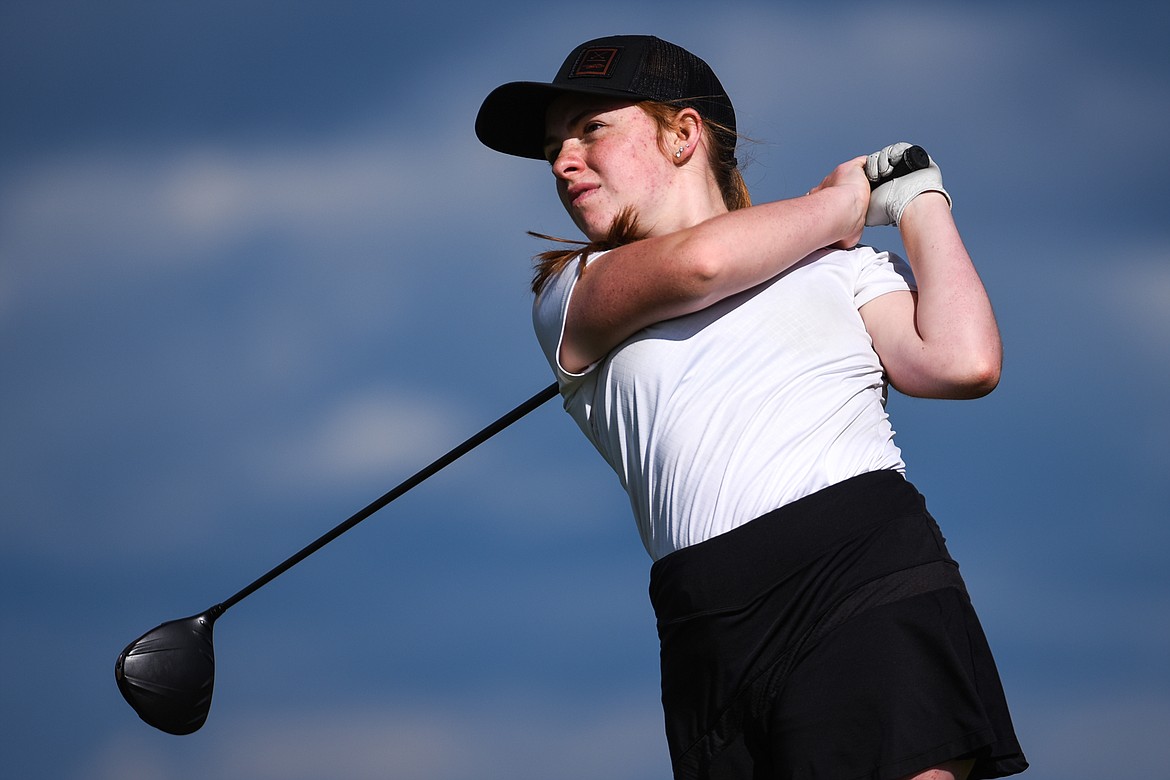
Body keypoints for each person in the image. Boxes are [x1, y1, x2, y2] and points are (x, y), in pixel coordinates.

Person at [475, 35, 1028, 780]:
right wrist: (841, 201)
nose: (564, 160)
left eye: (590, 129)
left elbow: (961, 362)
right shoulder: (573, 288)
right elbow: (701, 263)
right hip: (707, 628)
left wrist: (921, 198)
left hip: (860, 570)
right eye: (553, 148)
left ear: (683, 134)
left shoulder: (841, 263)